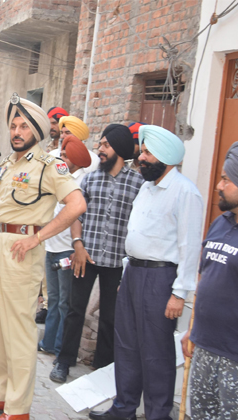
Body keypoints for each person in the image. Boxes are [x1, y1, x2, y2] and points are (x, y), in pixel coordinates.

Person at [0, 94, 86, 420]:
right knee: (2, 327)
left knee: (19, 330)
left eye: (24, 126)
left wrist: (38, 236)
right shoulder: (8, 164)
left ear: (37, 130)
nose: (17, 131)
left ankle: (18, 409)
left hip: (23, 249)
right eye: (13, 126)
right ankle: (2, 394)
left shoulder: (49, 165)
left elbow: (77, 204)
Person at [88, 125, 202, 420]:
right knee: (126, 345)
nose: (141, 158)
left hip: (160, 280)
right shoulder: (146, 187)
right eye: (144, 152)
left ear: (166, 157)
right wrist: (127, 273)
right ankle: (124, 408)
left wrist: (180, 293)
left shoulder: (185, 192)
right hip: (134, 274)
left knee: (156, 352)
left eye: (149, 153)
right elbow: (137, 234)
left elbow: (189, 247)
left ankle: (157, 414)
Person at [50, 124, 144, 384]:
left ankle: (103, 368)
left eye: (105, 145)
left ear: (120, 149)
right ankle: (63, 361)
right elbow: (77, 215)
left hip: (117, 262)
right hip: (86, 257)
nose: (100, 150)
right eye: (101, 144)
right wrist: (77, 245)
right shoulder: (90, 179)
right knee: (75, 310)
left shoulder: (138, 184)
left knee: (111, 316)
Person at [181, 142, 238, 420]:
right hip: (205, 345)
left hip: (234, 356)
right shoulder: (221, 223)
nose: (218, 185)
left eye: (226, 179)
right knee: (201, 414)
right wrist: (194, 329)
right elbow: (205, 277)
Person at [38, 135, 93, 357]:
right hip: (51, 246)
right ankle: (48, 342)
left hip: (68, 250)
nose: (61, 159)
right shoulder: (59, 176)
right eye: (60, 154)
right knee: (52, 298)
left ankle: (61, 347)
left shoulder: (82, 181)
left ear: (76, 159)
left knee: (64, 301)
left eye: (65, 156)